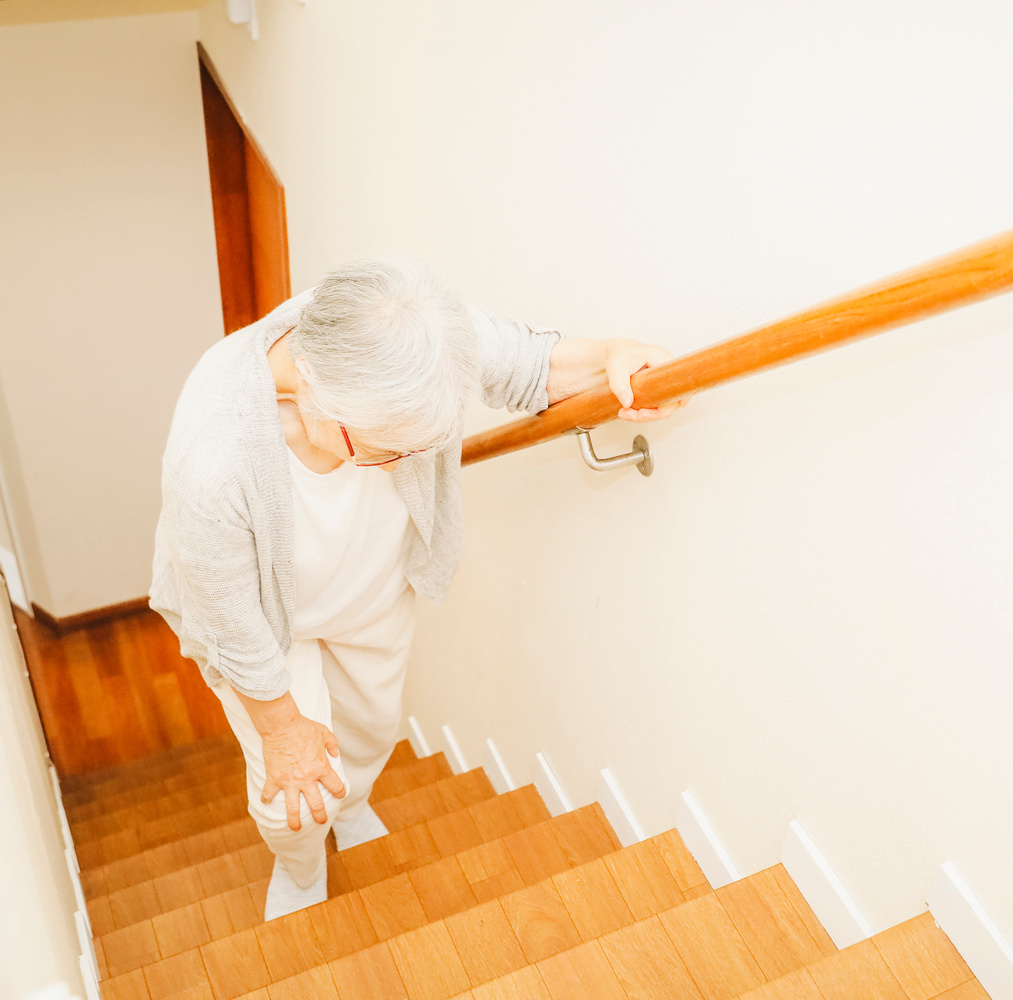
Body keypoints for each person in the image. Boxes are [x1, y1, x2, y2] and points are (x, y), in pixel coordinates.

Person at [149, 257, 682, 919]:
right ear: (314, 390)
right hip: (259, 626)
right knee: (289, 791)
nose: (403, 463)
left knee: (370, 732)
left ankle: (354, 805)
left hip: (369, 593)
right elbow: (224, 611)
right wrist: (284, 727)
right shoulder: (212, 453)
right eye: (384, 449)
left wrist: (612, 356)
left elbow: (525, 365)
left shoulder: (405, 330)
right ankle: (301, 867)